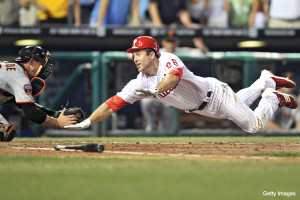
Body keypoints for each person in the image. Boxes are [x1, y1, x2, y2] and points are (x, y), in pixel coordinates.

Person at [65, 36, 298, 134]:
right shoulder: (138, 83)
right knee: (241, 102)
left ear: (151, 53)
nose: (134, 58)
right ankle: (265, 79)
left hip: (215, 93)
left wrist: (155, 91)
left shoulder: (167, 58)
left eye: (138, 53)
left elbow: (173, 77)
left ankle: (271, 97)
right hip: (205, 107)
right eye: (133, 54)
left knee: (254, 126)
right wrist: (88, 122)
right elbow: (113, 103)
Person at [0, 46, 78, 142]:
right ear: (31, 61)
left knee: (7, 131)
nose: (42, 69)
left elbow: (23, 104)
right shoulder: (20, 77)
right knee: (5, 131)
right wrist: (58, 123)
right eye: (41, 64)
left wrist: (54, 114)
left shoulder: (13, 70)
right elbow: (32, 113)